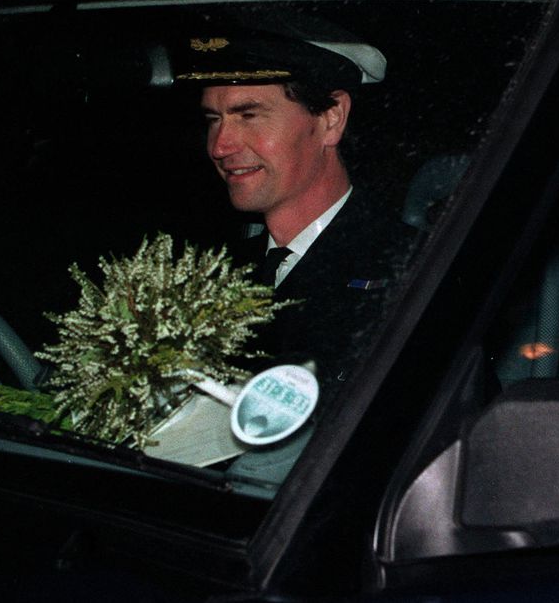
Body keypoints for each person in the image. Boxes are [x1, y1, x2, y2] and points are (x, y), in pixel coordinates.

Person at [174, 26, 416, 404]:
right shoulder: (210, 270)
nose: (220, 146)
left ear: (331, 118)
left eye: (249, 115)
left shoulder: (409, 269)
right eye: (212, 119)